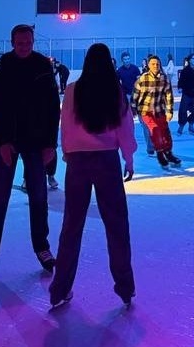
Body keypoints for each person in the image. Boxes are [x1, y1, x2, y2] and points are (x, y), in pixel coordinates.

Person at [49, 43, 137, 311]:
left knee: (72, 225)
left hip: (78, 161)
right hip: (106, 160)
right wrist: (128, 157)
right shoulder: (115, 91)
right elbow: (125, 127)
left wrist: (68, 153)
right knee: (116, 223)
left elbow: (65, 124)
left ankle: (60, 288)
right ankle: (125, 287)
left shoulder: (73, 90)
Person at [0, 24, 61, 277]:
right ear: (12, 43)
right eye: (20, 43)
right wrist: (2, 140)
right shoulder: (4, 67)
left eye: (28, 42)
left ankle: (42, 247)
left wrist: (51, 143)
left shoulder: (42, 65)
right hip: (7, 142)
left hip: (36, 143)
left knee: (39, 197)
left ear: (33, 42)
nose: (24, 47)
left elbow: (52, 107)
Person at [133, 54, 181, 168]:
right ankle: (160, 153)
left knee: (165, 131)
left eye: (157, 64)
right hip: (145, 111)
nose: (155, 66)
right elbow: (135, 95)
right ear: (148, 65)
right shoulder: (143, 78)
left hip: (159, 110)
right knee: (156, 131)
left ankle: (168, 153)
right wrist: (133, 109)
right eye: (153, 64)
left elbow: (169, 95)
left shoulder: (164, 78)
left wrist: (169, 111)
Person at [117, 52, 152, 153]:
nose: (127, 61)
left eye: (128, 59)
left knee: (144, 121)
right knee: (126, 121)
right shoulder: (119, 71)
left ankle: (150, 146)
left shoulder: (135, 69)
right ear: (122, 60)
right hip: (126, 97)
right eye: (125, 59)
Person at [176, 53, 194, 135]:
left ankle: (191, 125)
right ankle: (181, 126)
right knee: (182, 110)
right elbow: (181, 80)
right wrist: (180, 87)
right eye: (192, 59)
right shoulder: (185, 70)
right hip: (186, 93)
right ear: (189, 60)